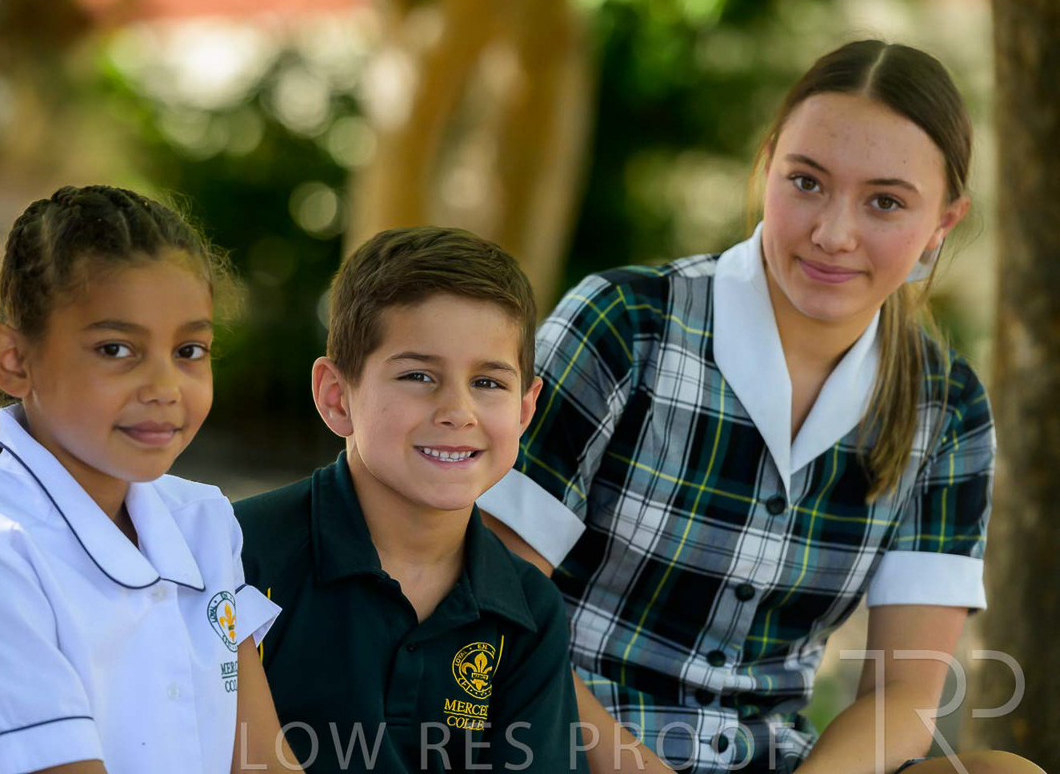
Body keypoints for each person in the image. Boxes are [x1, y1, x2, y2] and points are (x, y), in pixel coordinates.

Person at [478, 41, 1043, 774]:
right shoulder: (624, 324)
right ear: (767, 166)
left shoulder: (948, 407)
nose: (833, 233)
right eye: (807, 182)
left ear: (942, 223)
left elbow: (903, 693)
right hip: (567, 743)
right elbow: (496, 608)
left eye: (885, 202)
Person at [0, 186, 299, 774]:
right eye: (116, 349)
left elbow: (263, 761)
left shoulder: (203, 521)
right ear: (13, 359)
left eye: (190, 350)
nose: (165, 387)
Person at [234, 227, 590, 772]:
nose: (457, 412)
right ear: (336, 397)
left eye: (488, 383)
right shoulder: (238, 554)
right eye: (418, 375)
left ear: (525, 409)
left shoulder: (529, 610)